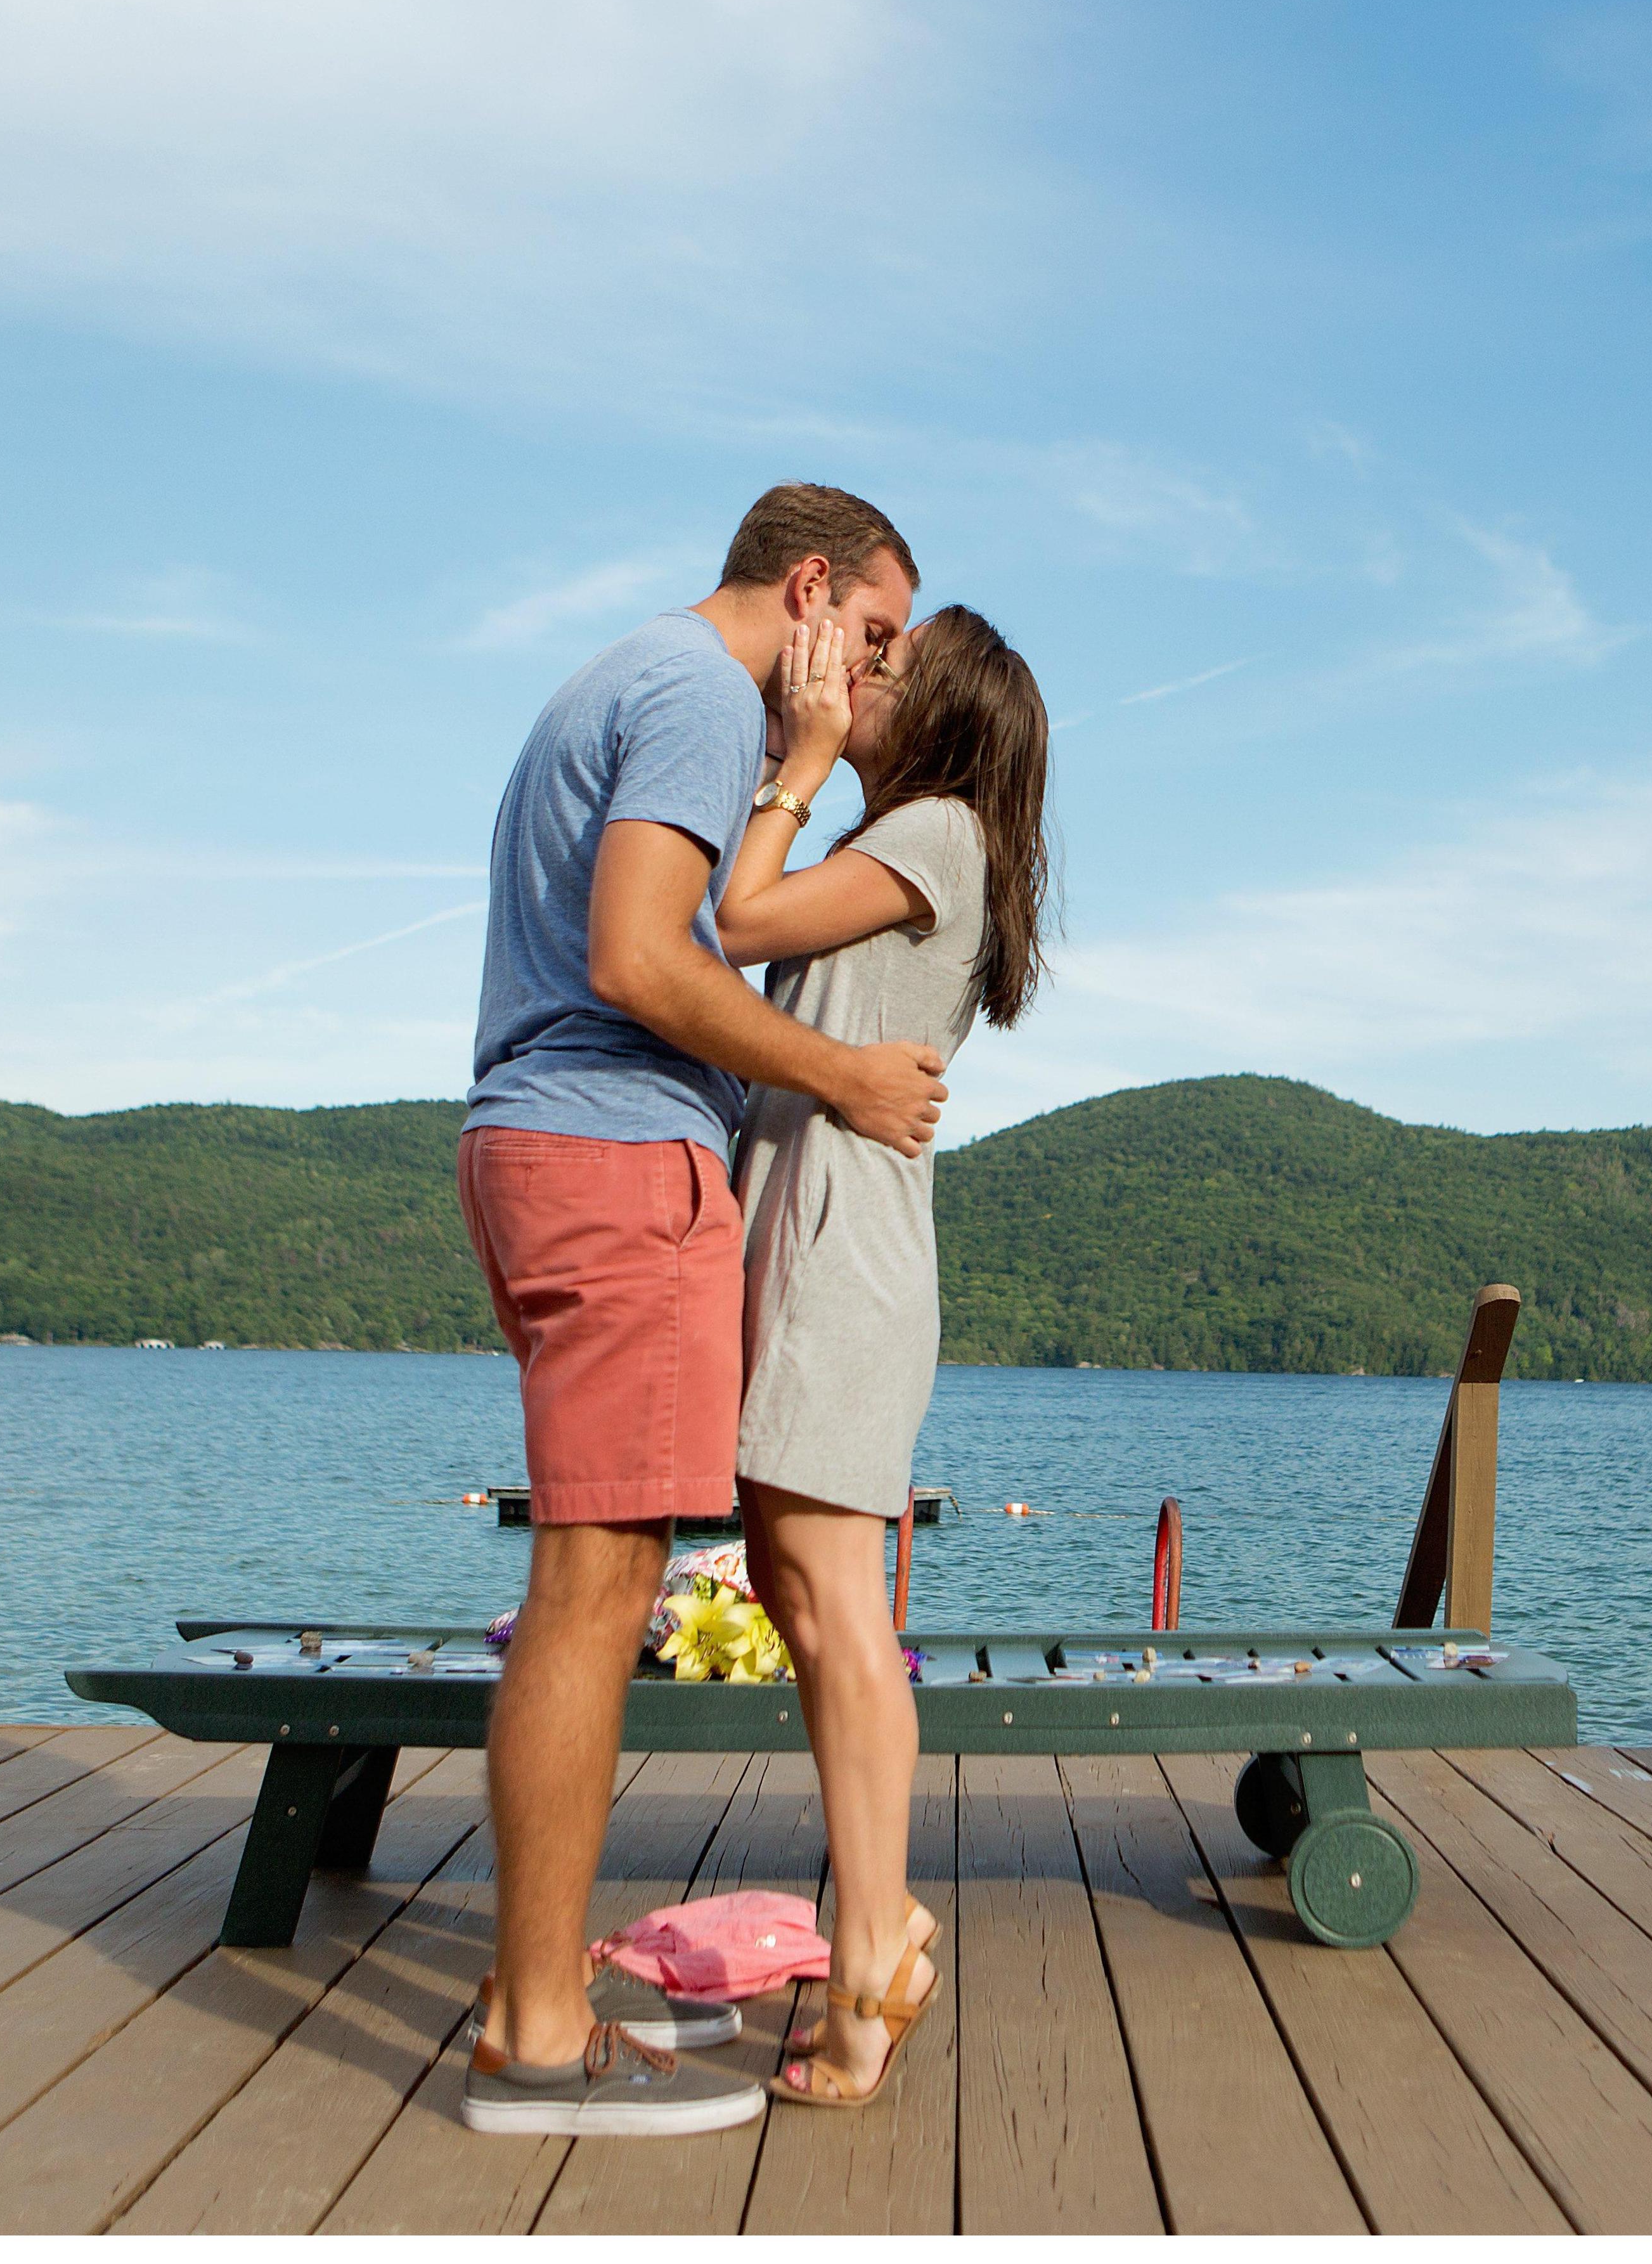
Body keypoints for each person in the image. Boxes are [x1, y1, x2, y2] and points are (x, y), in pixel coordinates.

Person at [456, 483, 949, 2137]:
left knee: (590, 1590)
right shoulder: (687, 694)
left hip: (548, 1151)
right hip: (611, 1164)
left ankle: (540, 1998)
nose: (875, 675)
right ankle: (537, 2034)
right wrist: (845, 1076)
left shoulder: (621, 682)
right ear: (808, 588)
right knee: (594, 1594)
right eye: (872, 635)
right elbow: (641, 959)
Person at [716, 604, 1052, 2107]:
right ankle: (880, 1920)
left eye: (888, 672)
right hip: (819, 1241)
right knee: (800, 1589)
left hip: (841, 1258)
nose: (861, 675)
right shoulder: (918, 842)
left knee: (837, 1607)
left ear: (947, 722)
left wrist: (793, 762)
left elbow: (731, 924)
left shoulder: (934, 834)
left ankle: (872, 1960)